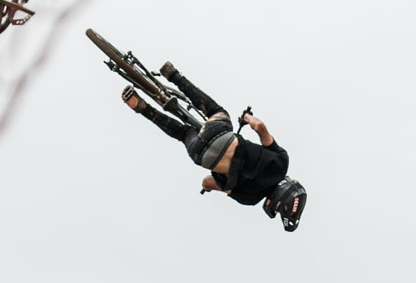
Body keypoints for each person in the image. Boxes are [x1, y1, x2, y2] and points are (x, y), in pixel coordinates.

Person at [121, 63, 307, 231]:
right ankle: (142, 107)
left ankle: (173, 75)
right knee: (181, 134)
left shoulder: (281, 162)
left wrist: (246, 118)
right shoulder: (249, 199)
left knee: (214, 110)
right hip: (201, 155)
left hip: (219, 133)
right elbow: (209, 182)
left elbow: (259, 127)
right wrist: (206, 187)